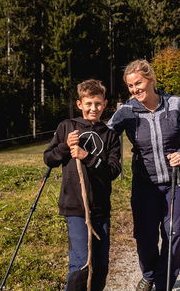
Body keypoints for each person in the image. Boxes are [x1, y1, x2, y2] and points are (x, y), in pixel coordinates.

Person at [107, 59, 180, 291]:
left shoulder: (175, 103)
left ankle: (163, 284)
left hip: (178, 182)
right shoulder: (126, 111)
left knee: (173, 234)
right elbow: (103, 134)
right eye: (130, 86)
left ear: (151, 79)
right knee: (144, 236)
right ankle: (149, 274)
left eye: (139, 83)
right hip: (145, 184)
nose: (135, 89)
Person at [43, 79, 122, 290]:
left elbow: (113, 171)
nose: (93, 108)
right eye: (88, 104)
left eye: (97, 103)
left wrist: (88, 157)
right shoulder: (67, 127)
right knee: (81, 265)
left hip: (100, 208)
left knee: (100, 265)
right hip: (75, 207)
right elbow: (49, 159)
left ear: (105, 104)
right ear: (80, 104)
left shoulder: (111, 136)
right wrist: (64, 147)